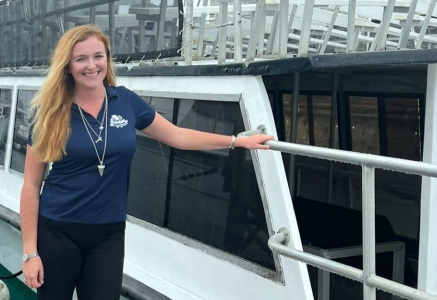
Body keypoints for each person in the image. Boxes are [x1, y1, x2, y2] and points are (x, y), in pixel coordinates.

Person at [19, 24, 274, 300]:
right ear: (67, 66)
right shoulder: (50, 112)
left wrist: (236, 141)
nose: (91, 66)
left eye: (98, 56)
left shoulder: (125, 101)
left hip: (108, 235)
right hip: (57, 231)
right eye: (80, 59)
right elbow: (31, 186)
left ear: (107, 59)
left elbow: (177, 136)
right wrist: (30, 252)